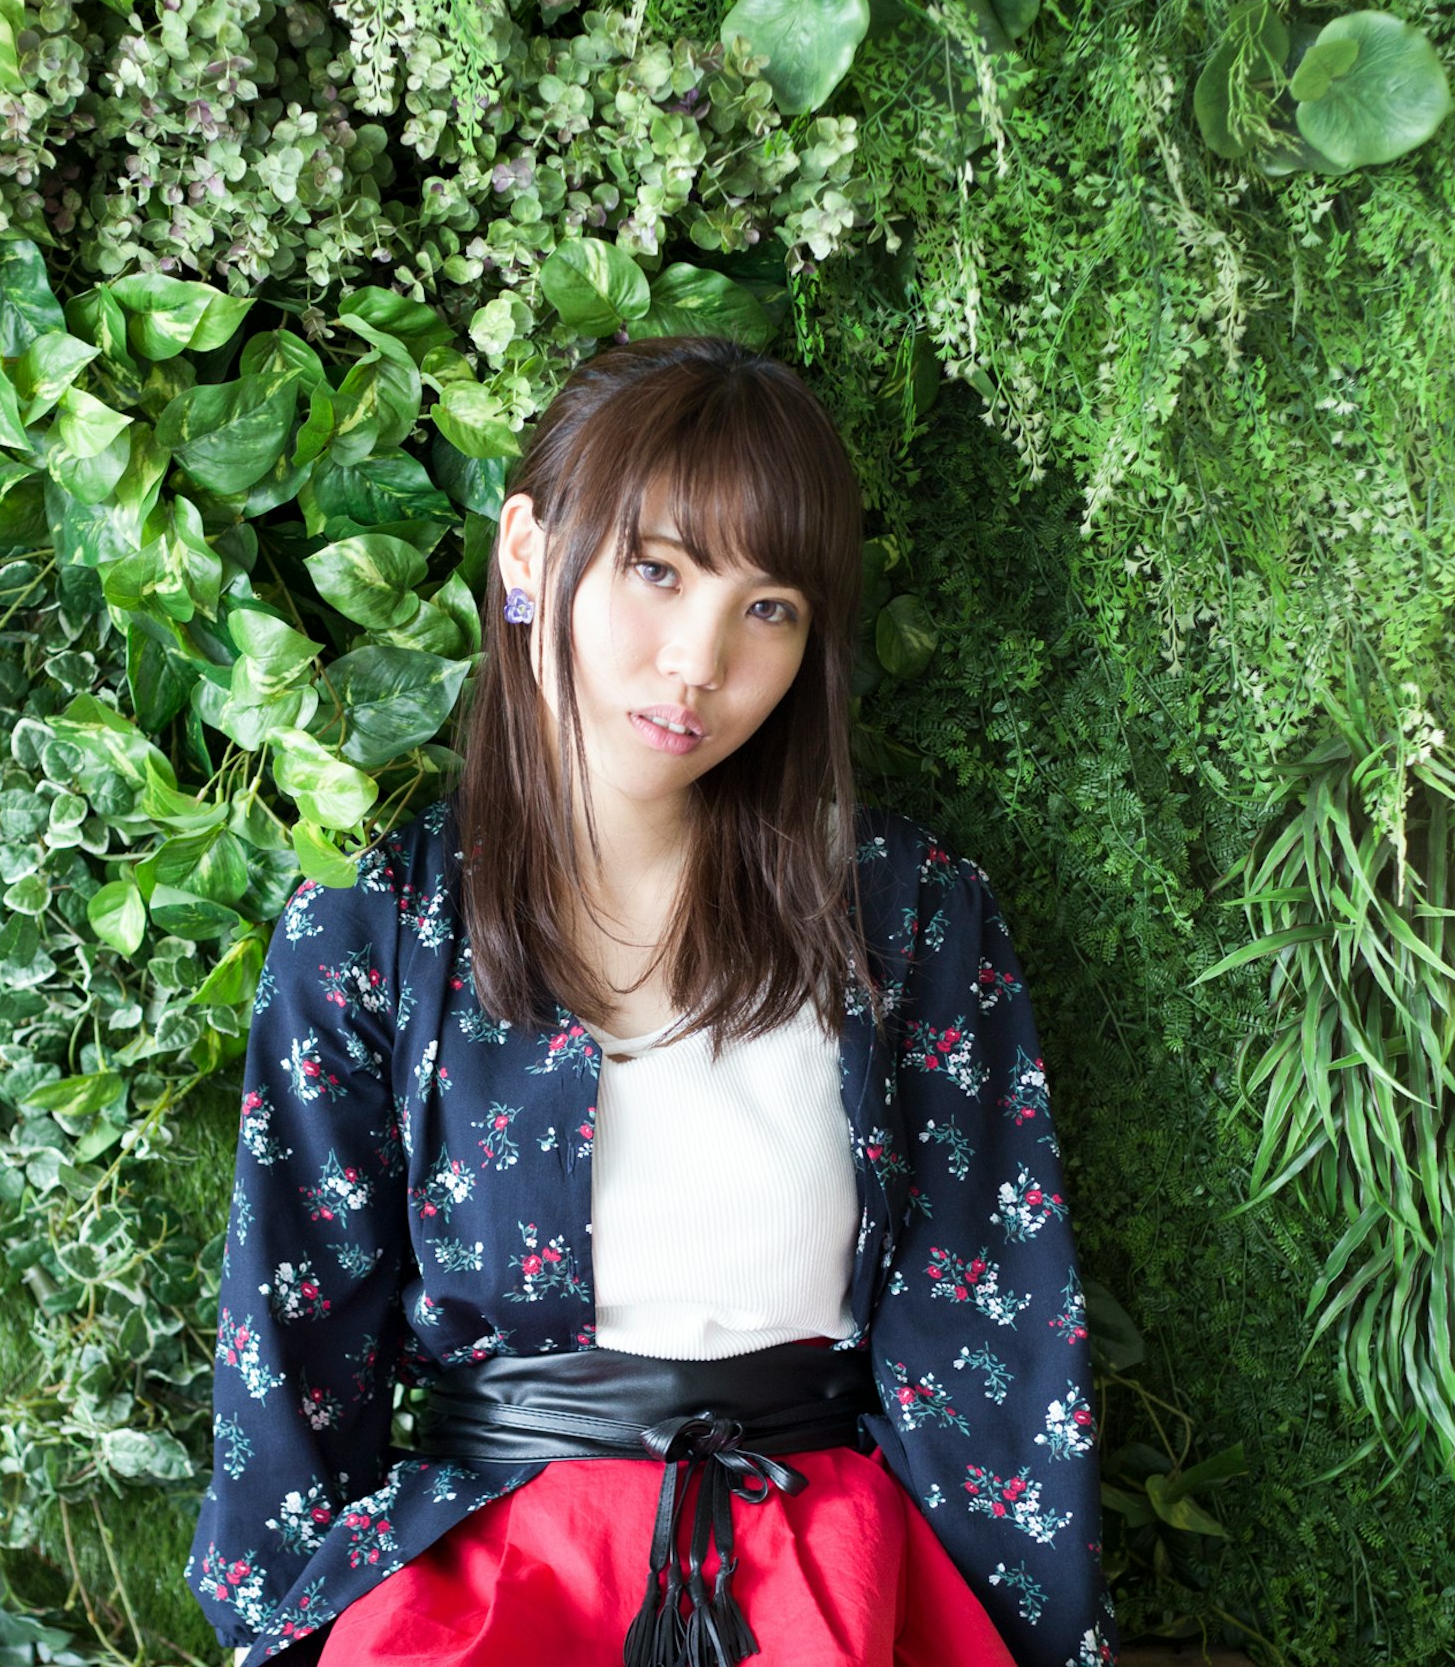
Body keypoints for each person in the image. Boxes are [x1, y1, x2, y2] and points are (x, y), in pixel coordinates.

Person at [185, 334, 1117, 1667]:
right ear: (527, 551)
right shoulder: (375, 929)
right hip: (495, 1586)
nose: (698, 659)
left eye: (770, 606)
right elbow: (291, 1348)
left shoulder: (906, 917)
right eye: (656, 567)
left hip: (824, 1584)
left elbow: (999, 1350)